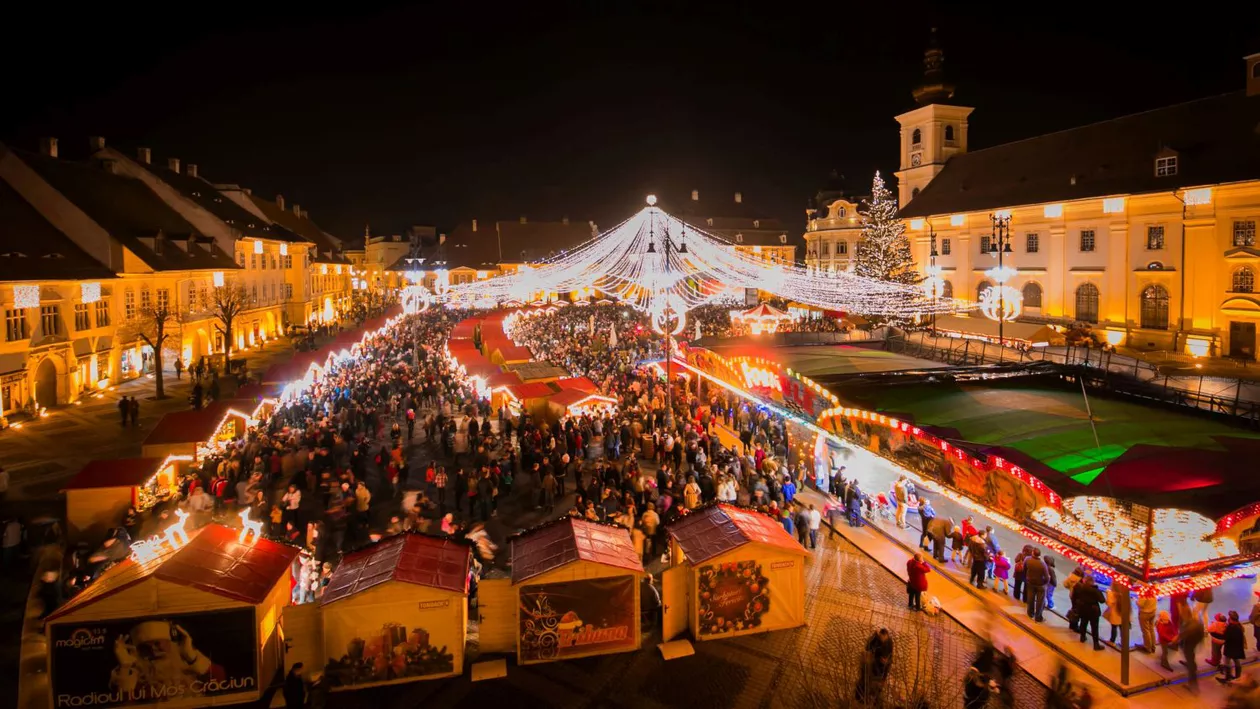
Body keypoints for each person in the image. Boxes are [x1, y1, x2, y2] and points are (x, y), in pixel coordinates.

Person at [855, 628, 893, 704]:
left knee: (876, 687)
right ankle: (864, 699)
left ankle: (873, 700)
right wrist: (875, 636)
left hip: (880, 670)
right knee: (868, 684)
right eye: (882, 637)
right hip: (874, 668)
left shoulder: (889, 643)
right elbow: (867, 647)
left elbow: (889, 658)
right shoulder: (876, 640)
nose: (883, 639)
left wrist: (886, 662)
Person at [1071, 576, 1105, 650]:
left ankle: (1082, 637)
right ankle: (1096, 645)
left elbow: (1075, 596)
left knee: (1083, 623)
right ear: (1092, 582)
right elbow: (1102, 600)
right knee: (1094, 627)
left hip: (1083, 609)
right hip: (1093, 611)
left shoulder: (1081, 588)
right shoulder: (1095, 590)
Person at [1220, 610, 1246, 683]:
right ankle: (1238, 676)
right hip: (1237, 648)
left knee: (1227, 662)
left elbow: (1225, 637)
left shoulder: (1230, 628)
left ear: (1231, 619)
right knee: (1237, 661)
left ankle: (1228, 678)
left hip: (1230, 648)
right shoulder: (1239, 627)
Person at [1024, 549, 1048, 622]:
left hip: (1030, 582)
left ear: (1033, 553)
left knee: (1030, 598)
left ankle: (1030, 613)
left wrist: (1027, 577)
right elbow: (1046, 577)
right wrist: (1045, 583)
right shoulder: (1042, 564)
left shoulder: (1027, 559)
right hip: (1040, 584)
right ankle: (1038, 617)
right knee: (1040, 601)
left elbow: (1024, 569)